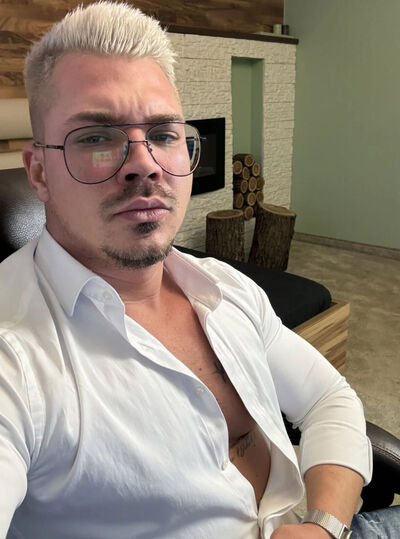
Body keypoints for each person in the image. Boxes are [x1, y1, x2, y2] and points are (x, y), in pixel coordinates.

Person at [0, 2, 398, 538]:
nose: (145, 164)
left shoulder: (222, 286)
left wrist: (324, 524)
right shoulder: (15, 356)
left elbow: (329, 398)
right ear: (40, 173)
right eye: (95, 137)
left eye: (164, 134)